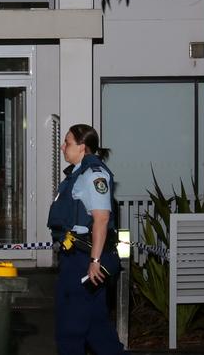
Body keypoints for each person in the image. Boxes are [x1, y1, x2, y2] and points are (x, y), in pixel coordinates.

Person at [47, 123, 124, 355]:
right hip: (78, 257)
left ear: (82, 147)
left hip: (85, 260)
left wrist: (95, 261)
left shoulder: (93, 175)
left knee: (70, 330)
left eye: (68, 142)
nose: (63, 147)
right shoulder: (79, 173)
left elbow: (101, 220)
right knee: (96, 328)